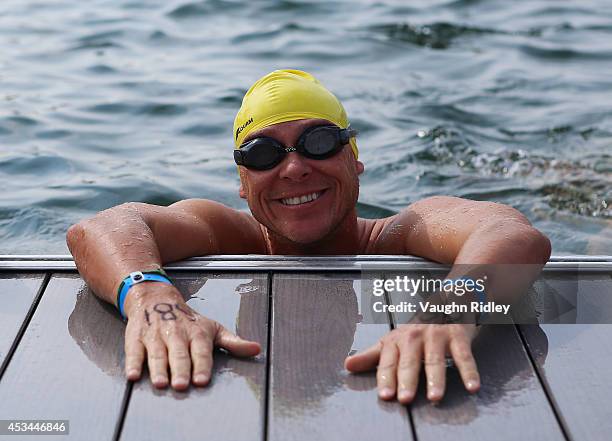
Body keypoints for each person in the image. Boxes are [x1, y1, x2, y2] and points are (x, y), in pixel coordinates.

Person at [66, 69, 551, 403]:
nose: (295, 168)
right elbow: (101, 228)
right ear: (241, 182)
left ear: (353, 158)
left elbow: (510, 232)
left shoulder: (401, 234)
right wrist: (150, 297)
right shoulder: (226, 233)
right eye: (262, 154)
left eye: (319, 142)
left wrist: (451, 310)